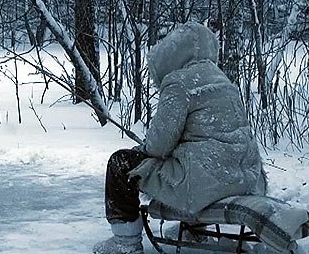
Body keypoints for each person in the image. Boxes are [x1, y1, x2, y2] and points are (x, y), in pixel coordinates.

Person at [95, 22, 266, 254]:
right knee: (197, 161)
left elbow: (158, 145)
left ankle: (125, 243)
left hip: (206, 182)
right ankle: (194, 229)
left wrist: (143, 148)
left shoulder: (178, 82)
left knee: (121, 163)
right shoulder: (223, 80)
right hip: (245, 178)